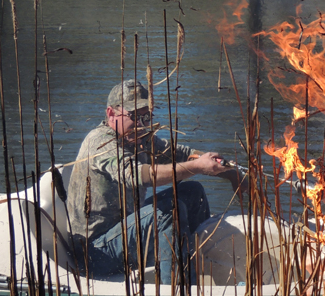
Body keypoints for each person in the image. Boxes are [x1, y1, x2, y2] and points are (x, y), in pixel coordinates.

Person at [66, 79, 242, 282]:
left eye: (146, 116)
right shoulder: (100, 142)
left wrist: (230, 171)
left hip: (123, 234)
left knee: (193, 192)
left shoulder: (140, 138)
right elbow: (139, 175)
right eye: (134, 116)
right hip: (96, 252)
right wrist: (197, 167)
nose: (142, 124)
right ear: (111, 113)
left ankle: (195, 266)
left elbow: (181, 153)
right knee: (167, 212)